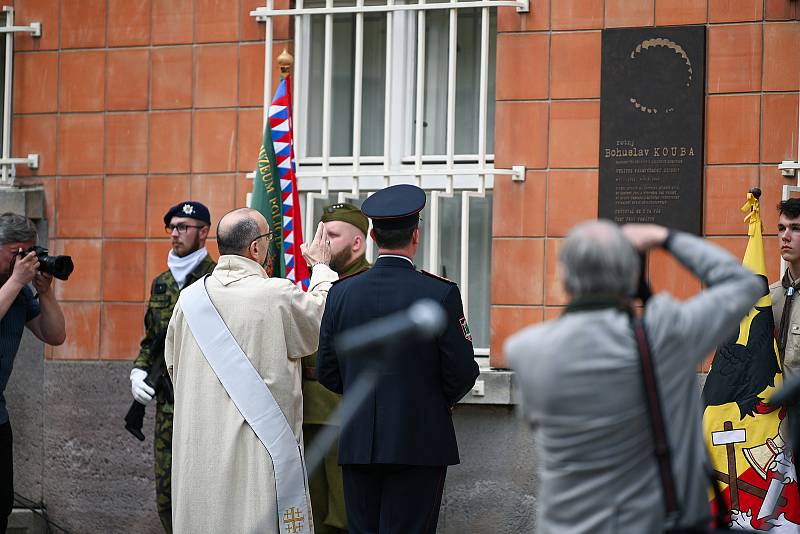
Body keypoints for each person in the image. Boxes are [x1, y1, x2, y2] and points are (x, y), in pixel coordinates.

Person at [505, 221, 764, 533]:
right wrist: (665, 237)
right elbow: (745, 285)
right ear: (631, 277)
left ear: (563, 278)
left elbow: (535, 421)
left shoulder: (526, 350)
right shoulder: (666, 335)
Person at [317, 184, 479, 534]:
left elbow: (328, 371)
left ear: (372, 235)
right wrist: (435, 400)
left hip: (359, 441)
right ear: (416, 235)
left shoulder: (341, 293)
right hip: (419, 440)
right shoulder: (439, 293)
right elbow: (462, 371)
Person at [165, 207, 336, 533]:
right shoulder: (276, 294)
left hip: (200, 446)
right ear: (255, 248)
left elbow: (174, 368)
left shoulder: (187, 300)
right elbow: (319, 322)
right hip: (259, 447)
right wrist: (323, 270)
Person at [129, 201, 215, 533]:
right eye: (172, 228)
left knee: (203, 492)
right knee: (165, 494)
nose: (175, 234)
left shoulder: (215, 279)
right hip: (168, 406)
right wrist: (138, 371)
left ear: (204, 232)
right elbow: (151, 341)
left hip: (205, 405)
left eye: (183, 227)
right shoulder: (161, 282)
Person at [303, 203, 370, 534]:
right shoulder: (312, 279)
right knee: (311, 511)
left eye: (331, 235)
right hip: (308, 411)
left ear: (357, 243)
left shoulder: (369, 282)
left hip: (346, 411)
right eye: (319, 235)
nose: (321, 245)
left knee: (344, 516)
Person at [0, 213, 66, 534]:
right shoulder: (14, 285)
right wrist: (15, 281)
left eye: (28, 252)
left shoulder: (22, 292)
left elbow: (54, 335)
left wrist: (46, 292)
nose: (23, 261)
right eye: (16, 253)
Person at [772, 198, 800, 376]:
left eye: (796, 228)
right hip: (770, 403)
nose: (785, 236)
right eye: (781, 228)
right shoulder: (767, 298)